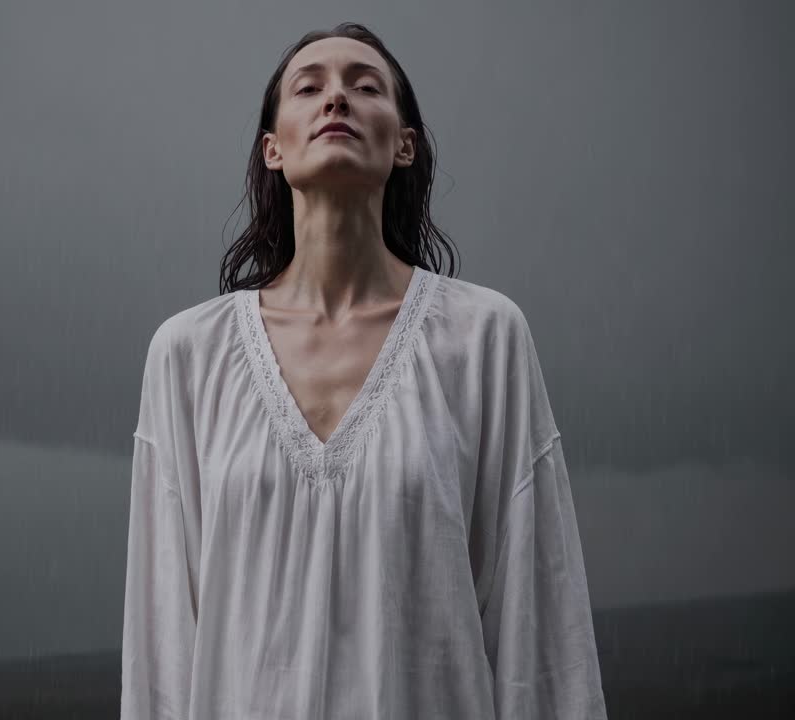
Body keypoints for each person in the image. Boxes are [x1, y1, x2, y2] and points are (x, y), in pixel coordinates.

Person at [120, 22, 609, 720]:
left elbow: (540, 629)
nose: (337, 99)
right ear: (274, 148)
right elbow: (162, 648)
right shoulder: (186, 357)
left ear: (404, 143)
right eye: (310, 87)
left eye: (365, 85)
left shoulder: (484, 340)